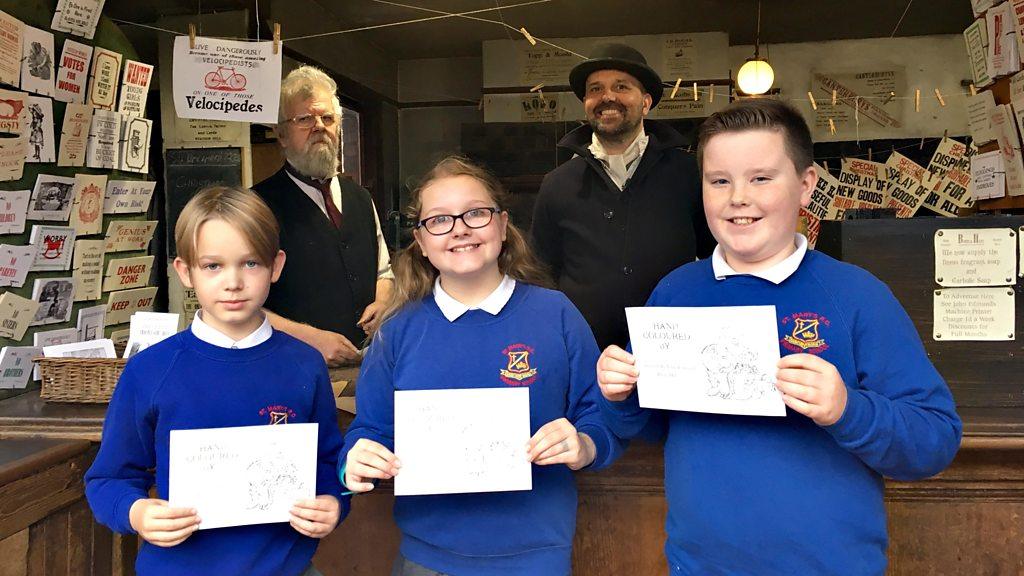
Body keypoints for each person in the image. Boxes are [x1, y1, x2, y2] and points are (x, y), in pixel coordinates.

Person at [596, 99, 962, 575]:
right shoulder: (676, 291)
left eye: (761, 178)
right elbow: (649, 426)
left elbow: (935, 440)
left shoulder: (857, 296)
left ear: (806, 185)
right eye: (719, 180)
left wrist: (848, 409)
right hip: (698, 566)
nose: (738, 198)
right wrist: (620, 395)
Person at [341, 157, 623, 575]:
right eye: (438, 220)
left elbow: (598, 414)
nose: (459, 228)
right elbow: (371, 429)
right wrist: (354, 462)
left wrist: (584, 445)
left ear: (503, 224)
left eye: (475, 213)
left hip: (536, 555)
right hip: (428, 557)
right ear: (420, 240)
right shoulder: (396, 330)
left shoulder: (556, 314)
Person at [85, 187, 346, 576]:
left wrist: (333, 502)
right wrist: (136, 512)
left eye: (251, 263)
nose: (233, 282)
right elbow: (109, 478)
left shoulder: (304, 365)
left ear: (276, 266)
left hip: (287, 567)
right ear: (185, 272)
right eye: (212, 266)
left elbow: (328, 462)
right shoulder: (150, 371)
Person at [530, 43, 714, 350]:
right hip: (585, 352)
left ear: (645, 102)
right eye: (595, 89)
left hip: (677, 351)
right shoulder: (557, 184)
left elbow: (715, 255)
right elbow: (541, 272)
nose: (607, 97)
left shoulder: (690, 174)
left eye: (621, 86)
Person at [254, 65, 393, 365]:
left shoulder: (361, 198)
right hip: (291, 366)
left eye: (327, 118)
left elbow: (384, 272)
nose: (319, 126)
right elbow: (242, 305)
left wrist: (383, 301)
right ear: (281, 135)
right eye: (304, 119)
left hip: (368, 364)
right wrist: (311, 338)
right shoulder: (255, 207)